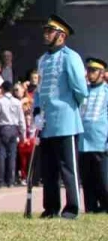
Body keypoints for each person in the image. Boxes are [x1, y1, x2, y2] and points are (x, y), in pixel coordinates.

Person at [34, 15, 88, 218]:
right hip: (47, 122)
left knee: (68, 168)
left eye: (50, 31)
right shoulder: (43, 59)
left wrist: (70, 109)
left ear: (61, 35)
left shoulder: (70, 57)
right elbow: (39, 90)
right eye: (45, 31)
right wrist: (37, 111)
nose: (46, 34)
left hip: (65, 121)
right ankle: (51, 208)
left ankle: (72, 208)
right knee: (48, 170)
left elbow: (81, 90)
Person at [78, 57, 108, 213]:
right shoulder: (84, 91)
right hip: (83, 142)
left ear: (102, 73)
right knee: (87, 179)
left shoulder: (106, 91)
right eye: (88, 70)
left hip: (100, 141)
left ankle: (105, 206)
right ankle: (90, 207)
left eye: (93, 71)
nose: (90, 73)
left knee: (103, 178)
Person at [0, 81, 26, 187]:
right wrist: (23, 134)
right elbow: (21, 119)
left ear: (2, 90)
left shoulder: (0, 101)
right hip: (14, 129)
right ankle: (11, 180)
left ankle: (0, 180)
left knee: (1, 154)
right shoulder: (17, 102)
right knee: (12, 155)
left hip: (3, 128)